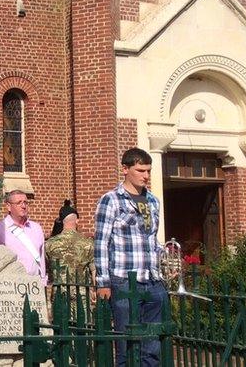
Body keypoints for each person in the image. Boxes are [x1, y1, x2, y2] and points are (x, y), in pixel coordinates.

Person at [94, 148, 167, 367]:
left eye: (148, 171)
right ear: (125, 169)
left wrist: (164, 261)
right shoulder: (111, 200)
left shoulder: (153, 201)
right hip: (124, 279)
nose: (145, 175)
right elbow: (101, 242)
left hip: (153, 279)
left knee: (152, 345)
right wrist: (103, 282)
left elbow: (151, 240)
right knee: (126, 344)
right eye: (140, 170)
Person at [0, 189, 47, 285]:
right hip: (11, 284)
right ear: (9, 206)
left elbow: (41, 257)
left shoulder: (36, 228)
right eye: (19, 203)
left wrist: (43, 281)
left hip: (34, 284)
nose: (23, 206)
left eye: (25, 203)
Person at [45, 200, 94, 286]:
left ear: (61, 221)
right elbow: (94, 270)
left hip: (59, 294)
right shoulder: (88, 243)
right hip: (82, 293)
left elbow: (46, 270)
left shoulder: (50, 244)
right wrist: (94, 290)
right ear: (77, 220)